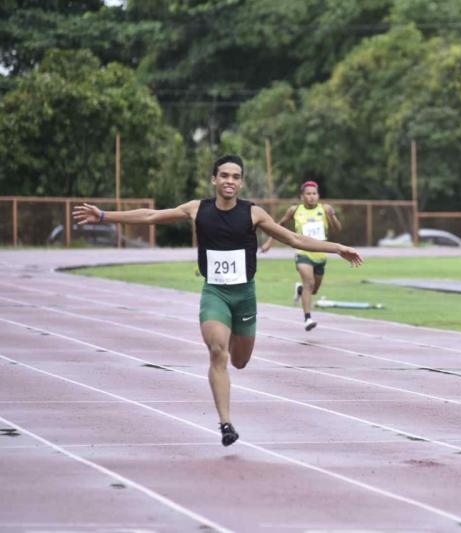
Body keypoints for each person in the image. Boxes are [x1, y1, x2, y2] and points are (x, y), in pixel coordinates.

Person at [73, 155, 363, 446]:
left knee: (240, 361)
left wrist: (337, 247)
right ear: (214, 179)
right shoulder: (197, 209)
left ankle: (231, 387)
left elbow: (295, 239)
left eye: (235, 177)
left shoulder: (254, 214)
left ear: (241, 182)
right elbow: (151, 215)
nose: (229, 181)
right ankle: (226, 423)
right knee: (217, 351)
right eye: (224, 175)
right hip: (215, 293)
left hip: (245, 296)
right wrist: (103, 216)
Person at [259, 180, 342, 331]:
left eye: (314, 194)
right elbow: (278, 226)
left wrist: (333, 217)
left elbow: (338, 228)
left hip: (320, 255)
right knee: (309, 283)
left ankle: (299, 290)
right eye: (308, 194)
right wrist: (270, 243)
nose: (311, 197)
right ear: (302, 196)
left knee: (313, 289)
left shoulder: (325, 209)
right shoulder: (294, 210)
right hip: (303, 253)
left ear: (318, 195)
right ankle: (308, 318)